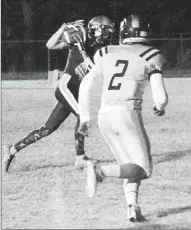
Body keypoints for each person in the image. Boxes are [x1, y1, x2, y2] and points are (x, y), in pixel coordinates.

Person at [77, 15, 168, 222]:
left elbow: (86, 84)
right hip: (127, 112)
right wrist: (160, 106)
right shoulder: (151, 54)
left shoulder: (106, 52)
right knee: (143, 168)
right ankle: (100, 170)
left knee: (128, 165)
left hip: (104, 115)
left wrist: (84, 118)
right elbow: (160, 96)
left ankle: (132, 207)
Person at [2, 16, 115, 173]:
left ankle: (12, 149)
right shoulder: (79, 38)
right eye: (107, 30)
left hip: (75, 91)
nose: (109, 34)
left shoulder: (100, 47)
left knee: (47, 129)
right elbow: (50, 45)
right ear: (97, 29)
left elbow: (95, 67)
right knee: (83, 116)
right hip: (65, 87)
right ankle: (80, 158)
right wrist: (62, 29)